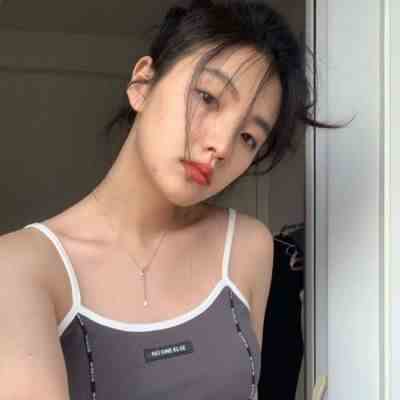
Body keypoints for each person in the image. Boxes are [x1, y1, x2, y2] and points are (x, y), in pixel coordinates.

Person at [0, 1, 338, 399]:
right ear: (142, 83)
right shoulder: (21, 267)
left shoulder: (248, 247)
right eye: (208, 98)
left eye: (249, 137)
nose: (221, 146)